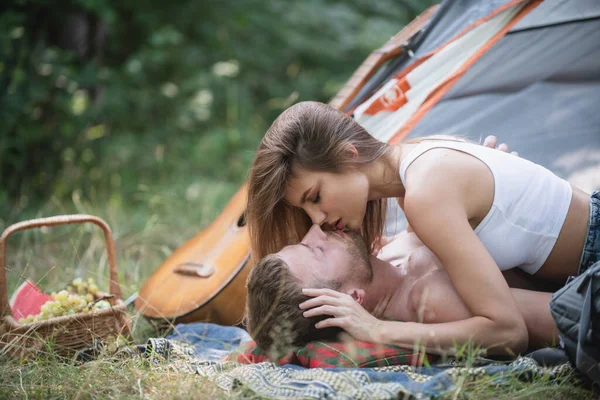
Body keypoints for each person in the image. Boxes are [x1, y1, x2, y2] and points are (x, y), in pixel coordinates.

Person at [246, 101, 598, 355]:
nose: (317, 223)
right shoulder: (417, 164)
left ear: (348, 154)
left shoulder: (422, 198)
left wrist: (378, 329)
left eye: (316, 196)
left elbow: (510, 328)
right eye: (315, 246)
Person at [245, 224, 558, 355]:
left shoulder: (387, 257)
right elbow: (570, 314)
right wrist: (377, 330)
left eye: (304, 240)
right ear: (352, 299)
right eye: (317, 251)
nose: (317, 230)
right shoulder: (429, 300)